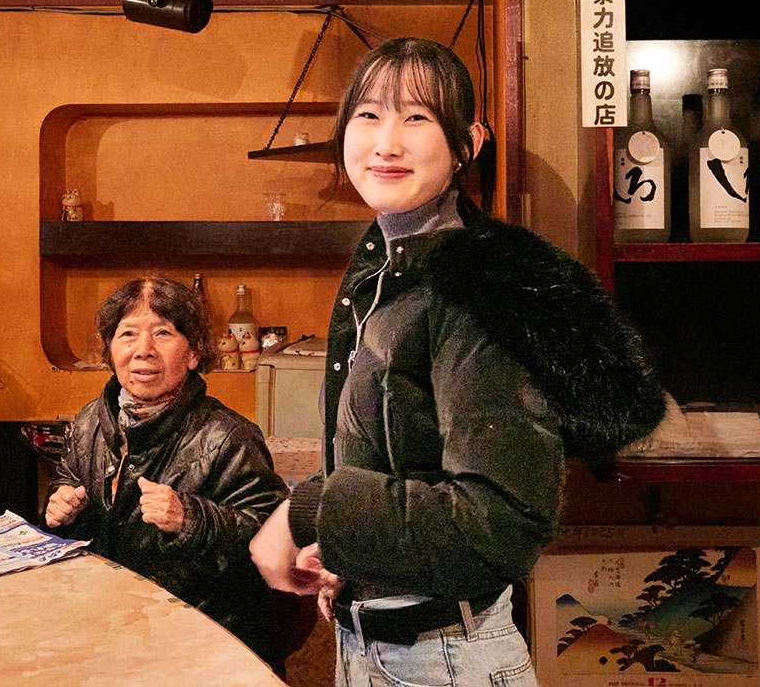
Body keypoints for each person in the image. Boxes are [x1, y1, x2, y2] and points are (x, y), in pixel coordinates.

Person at [250, 37, 665, 685]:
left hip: (443, 659)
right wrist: (352, 559)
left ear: (467, 142)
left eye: (416, 117)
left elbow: (498, 523)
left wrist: (310, 508)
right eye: (368, 115)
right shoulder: (384, 268)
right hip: (376, 647)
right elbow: (398, 461)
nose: (386, 142)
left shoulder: (475, 289)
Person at [46, 278, 288, 669]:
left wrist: (191, 518)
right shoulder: (90, 420)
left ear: (193, 352)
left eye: (163, 333)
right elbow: (70, 486)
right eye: (128, 334)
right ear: (109, 348)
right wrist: (62, 508)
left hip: (206, 645)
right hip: (108, 630)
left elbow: (273, 538)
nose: (144, 349)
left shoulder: (229, 437)